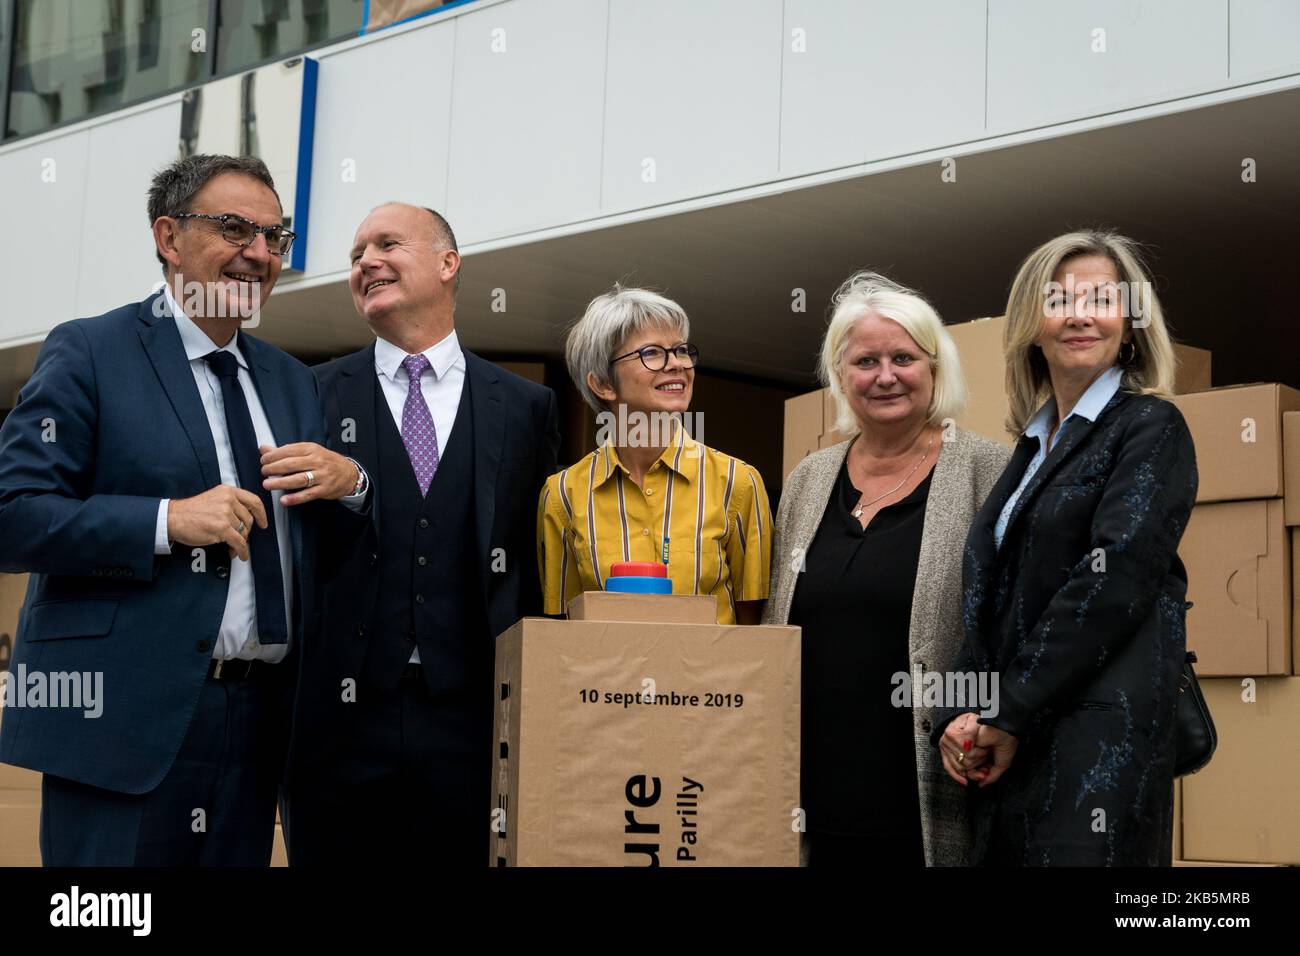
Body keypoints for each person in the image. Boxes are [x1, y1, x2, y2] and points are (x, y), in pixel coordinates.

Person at [0, 154, 367, 865]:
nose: (258, 254)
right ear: (168, 238)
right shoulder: (89, 351)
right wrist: (165, 520)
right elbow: (14, 514)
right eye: (235, 228)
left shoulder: (294, 383)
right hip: (122, 718)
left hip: (259, 723)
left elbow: (320, 553)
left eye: (275, 237)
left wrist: (352, 485)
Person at [284, 202, 560, 866]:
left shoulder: (525, 407)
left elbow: (538, 559)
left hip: (471, 722)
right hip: (337, 721)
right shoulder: (307, 394)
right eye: (355, 256)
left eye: (386, 244)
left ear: (447, 263)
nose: (365, 262)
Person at [932, 230, 1197, 866]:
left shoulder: (1151, 427)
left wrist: (1005, 709)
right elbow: (989, 603)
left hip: (1093, 746)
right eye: (1059, 299)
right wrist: (961, 716)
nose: (1079, 313)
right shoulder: (1028, 450)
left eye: (1102, 298)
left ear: (1131, 326)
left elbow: (1113, 579)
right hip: (1006, 745)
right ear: (1031, 324)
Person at [763, 271, 1009, 867]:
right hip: (811, 794)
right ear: (840, 376)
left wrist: (987, 709)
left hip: (930, 787)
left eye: (903, 357)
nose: (885, 376)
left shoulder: (989, 471)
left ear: (934, 368)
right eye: (865, 360)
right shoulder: (807, 480)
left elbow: (1018, 621)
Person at [537, 286, 771, 624]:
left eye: (681, 350)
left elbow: (755, 631)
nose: (677, 364)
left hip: (711, 678)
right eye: (652, 353)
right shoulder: (563, 495)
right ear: (603, 383)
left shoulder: (738, 483)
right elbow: (563, 630)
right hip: (605, 679)